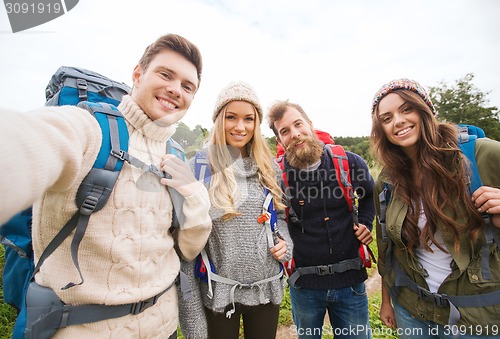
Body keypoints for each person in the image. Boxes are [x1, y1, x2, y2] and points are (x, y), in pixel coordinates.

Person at [0, 34, 212, 338]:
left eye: (187, 86)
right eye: (165, 74)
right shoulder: (89, 128)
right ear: (138, 75)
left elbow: (189, 248)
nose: (175, 90)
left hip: (164, 327)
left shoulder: (175, 155)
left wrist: (193, 193)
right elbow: (27, 143)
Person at [371, 78, 500, 338]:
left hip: (477, 318)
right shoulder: (387, 182)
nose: (397, 121)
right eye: (387, 118)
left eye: (406, 109)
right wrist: (387, 300)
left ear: (425, 110)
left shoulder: (482, 155)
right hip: (413, 311)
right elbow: (387, 248)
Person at [178, 81, 293, 339]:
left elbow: (280, 217)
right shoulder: (198, 168)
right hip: (218, 294)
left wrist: (285, 243)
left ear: (257, 124)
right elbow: (185, 248)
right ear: (219, 119)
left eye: (248, 119)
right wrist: (193, 322)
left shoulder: (268, 167)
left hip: (266, 290)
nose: (240, 127)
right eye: (231, 117)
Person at [267, 100, 375, 339]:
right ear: (279, 140)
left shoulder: (349, 162)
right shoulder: (276, 176)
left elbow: (370, 195)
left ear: (311, 125)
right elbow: (274, 219)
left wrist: (366, 223)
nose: (295, 134)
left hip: (350, 283)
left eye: (298, 124)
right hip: (304, 287)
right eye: (285, 131)